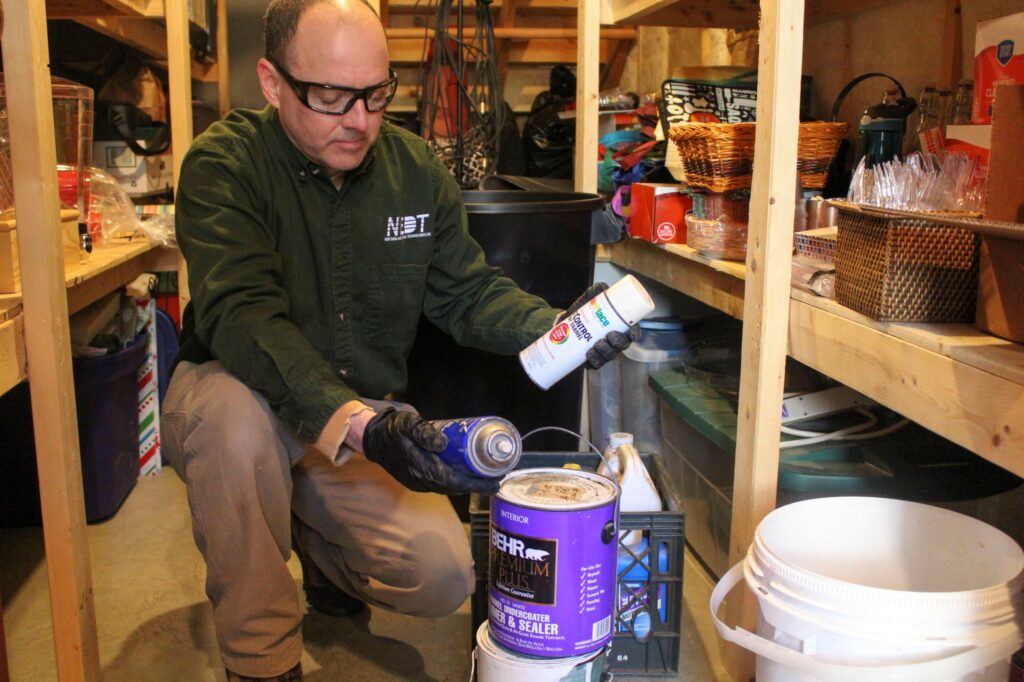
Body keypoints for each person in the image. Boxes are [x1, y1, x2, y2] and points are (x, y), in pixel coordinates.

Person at [161, 1, 635, 680]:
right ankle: (260, 658)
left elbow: (468, 292)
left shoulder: (413, 171)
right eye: (330, 96)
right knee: (234, 425)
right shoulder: (223, 167)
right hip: (241, 396)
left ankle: (317, 549)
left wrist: (560, 327)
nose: (359, 120)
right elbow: (244, 316)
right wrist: (361, 426)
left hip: (352, 420)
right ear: (271, 82)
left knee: (443, 574)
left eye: (376, 94)